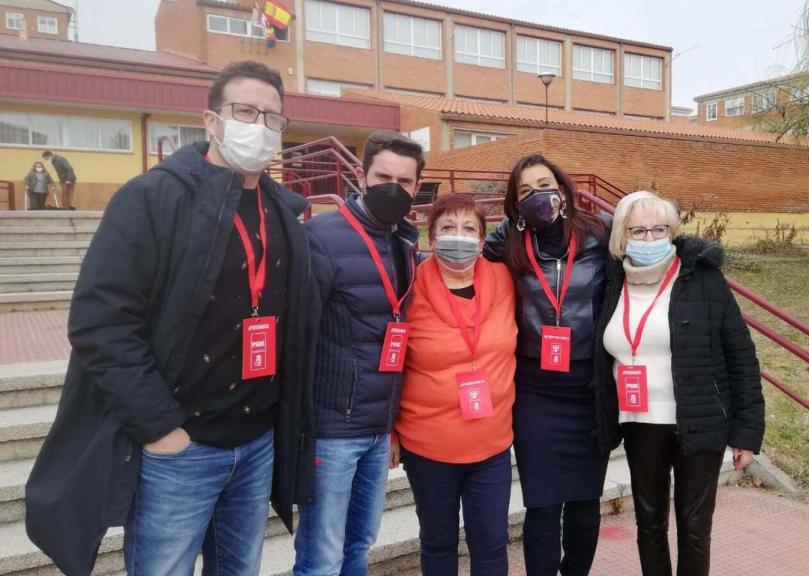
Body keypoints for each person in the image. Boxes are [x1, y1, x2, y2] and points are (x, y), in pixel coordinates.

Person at [25, 60, 318, 576]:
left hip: (255, 442)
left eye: (273, 118)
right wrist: (161, 429)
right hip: (181, 446)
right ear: (210, 121)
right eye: (245, 111)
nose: (260, 126)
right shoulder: (153, 198)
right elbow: (100, 323)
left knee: (239, 568)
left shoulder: (283, 212)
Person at [596, 191, 765, 576]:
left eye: (659, 229)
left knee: (693, 526)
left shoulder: (702, 278)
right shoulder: (610, 281)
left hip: (700, 419)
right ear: (622, 237)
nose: (650, 238)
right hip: (639, 423)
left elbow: (741, 357)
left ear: (672, 232)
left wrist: (747, 432)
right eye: (639, 230)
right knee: (650, 524)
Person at [295, 130, 423, 575]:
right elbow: (300, 334)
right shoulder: (321, 236)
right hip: (332, 428)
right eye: (383, 175)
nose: (394, 187)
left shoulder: (405, 242)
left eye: (405, 181)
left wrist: (392, 427)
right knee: (322, 555)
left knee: (359, 545)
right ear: (360, 175)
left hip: (378, 427)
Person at [483, 154, 612, 576]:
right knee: (541, 506)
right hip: (536, 392)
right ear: (515, 204)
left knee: (584, 505)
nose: (537, 196)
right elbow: (469, 267)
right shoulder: (508, 242)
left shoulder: (598, 233)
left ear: (562, 188)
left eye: (544, 184)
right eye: (525, 191)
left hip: (589, 391)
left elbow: (651, 246)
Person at [392, 194, 518, 575]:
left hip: (491, 446)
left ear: (483, 239)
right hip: (428, 447)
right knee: (438, 541)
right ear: (432, 235)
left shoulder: (503, 278)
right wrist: (389, 431)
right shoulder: (408, 285)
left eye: (469, 229)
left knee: (492, 543)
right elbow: (392, 364)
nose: (458, 237)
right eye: (448, 227)